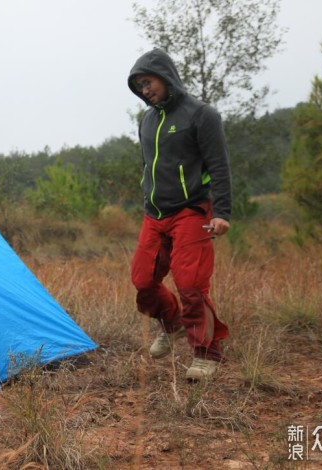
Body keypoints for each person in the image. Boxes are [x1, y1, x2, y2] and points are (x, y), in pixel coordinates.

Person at [127, 48, 231, 380]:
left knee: (191, 285)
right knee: (143, 280)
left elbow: (219, 167)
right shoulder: (148, 119)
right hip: (154, 214)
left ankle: (206, 354)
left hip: (191, 211)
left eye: (148, 81)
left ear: (166, 75)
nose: (145, 90)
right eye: (140, 85)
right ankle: (170, 323)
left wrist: (223, 212)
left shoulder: (201, 115)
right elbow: (148, 166)